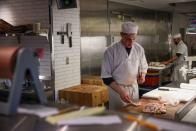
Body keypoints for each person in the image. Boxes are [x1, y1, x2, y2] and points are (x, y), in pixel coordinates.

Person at [101, 22, 148, 110]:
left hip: (134, 89)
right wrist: (121, 92)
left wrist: (143, 76)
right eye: (127, 38)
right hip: (117, 90)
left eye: (133, 38)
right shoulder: (111, 51)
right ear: (121, 35)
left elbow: (143, 66)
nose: (131, 42)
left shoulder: (139, 49)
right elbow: (106, 77)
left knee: (134, 115)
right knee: (119, 117)